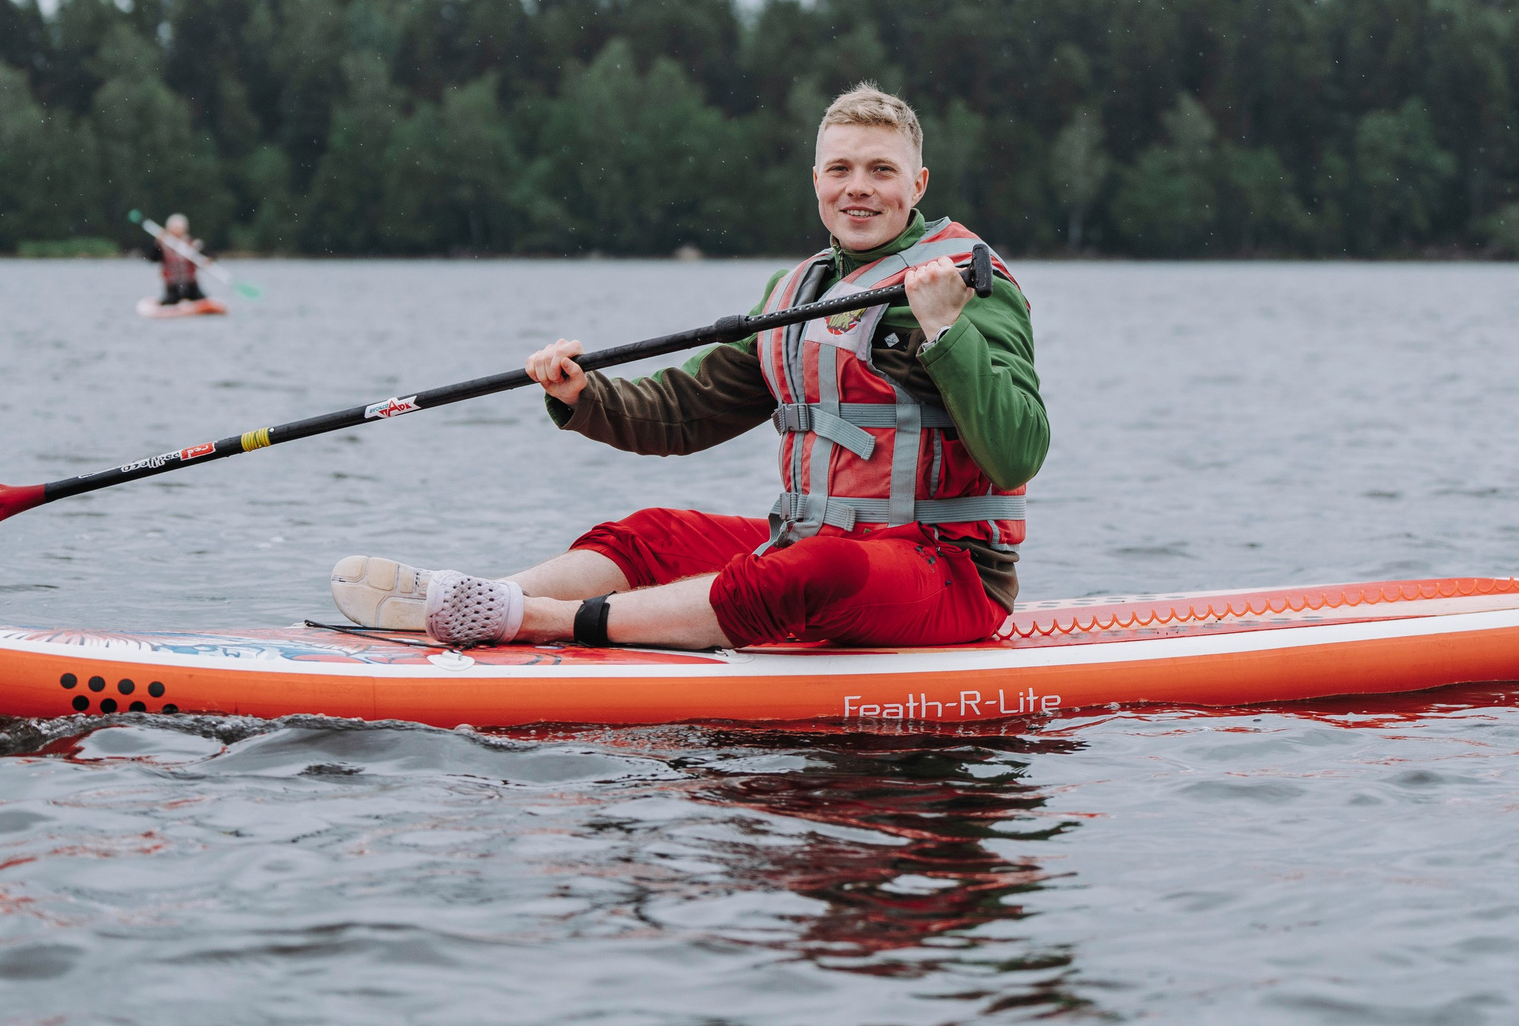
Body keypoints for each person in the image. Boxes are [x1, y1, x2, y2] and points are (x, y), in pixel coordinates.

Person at [329, 85, 1049, 651]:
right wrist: (586, 396)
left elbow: (1019, 451)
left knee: (815, 570)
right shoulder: (796, 290)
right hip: (812, 540)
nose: (858, 187)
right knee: (649, 533)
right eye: (841, 169)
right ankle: (465, 603)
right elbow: (685, 412)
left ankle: (532, 620)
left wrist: (948, 329)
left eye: (880, 171)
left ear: (917, 184)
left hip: (948, 575)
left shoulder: (968, 288)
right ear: (817, 182)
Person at [141, 213, 207, 306]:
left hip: (191, 285)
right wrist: (157, 244)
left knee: (200, 298)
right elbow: (151, 258)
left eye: (180, 228)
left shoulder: (193, 244)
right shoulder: (162, 244)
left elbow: (207, 256)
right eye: (175, 228)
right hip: (173, 286)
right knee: (170, 300)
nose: (177, 231)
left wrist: (207, 259)